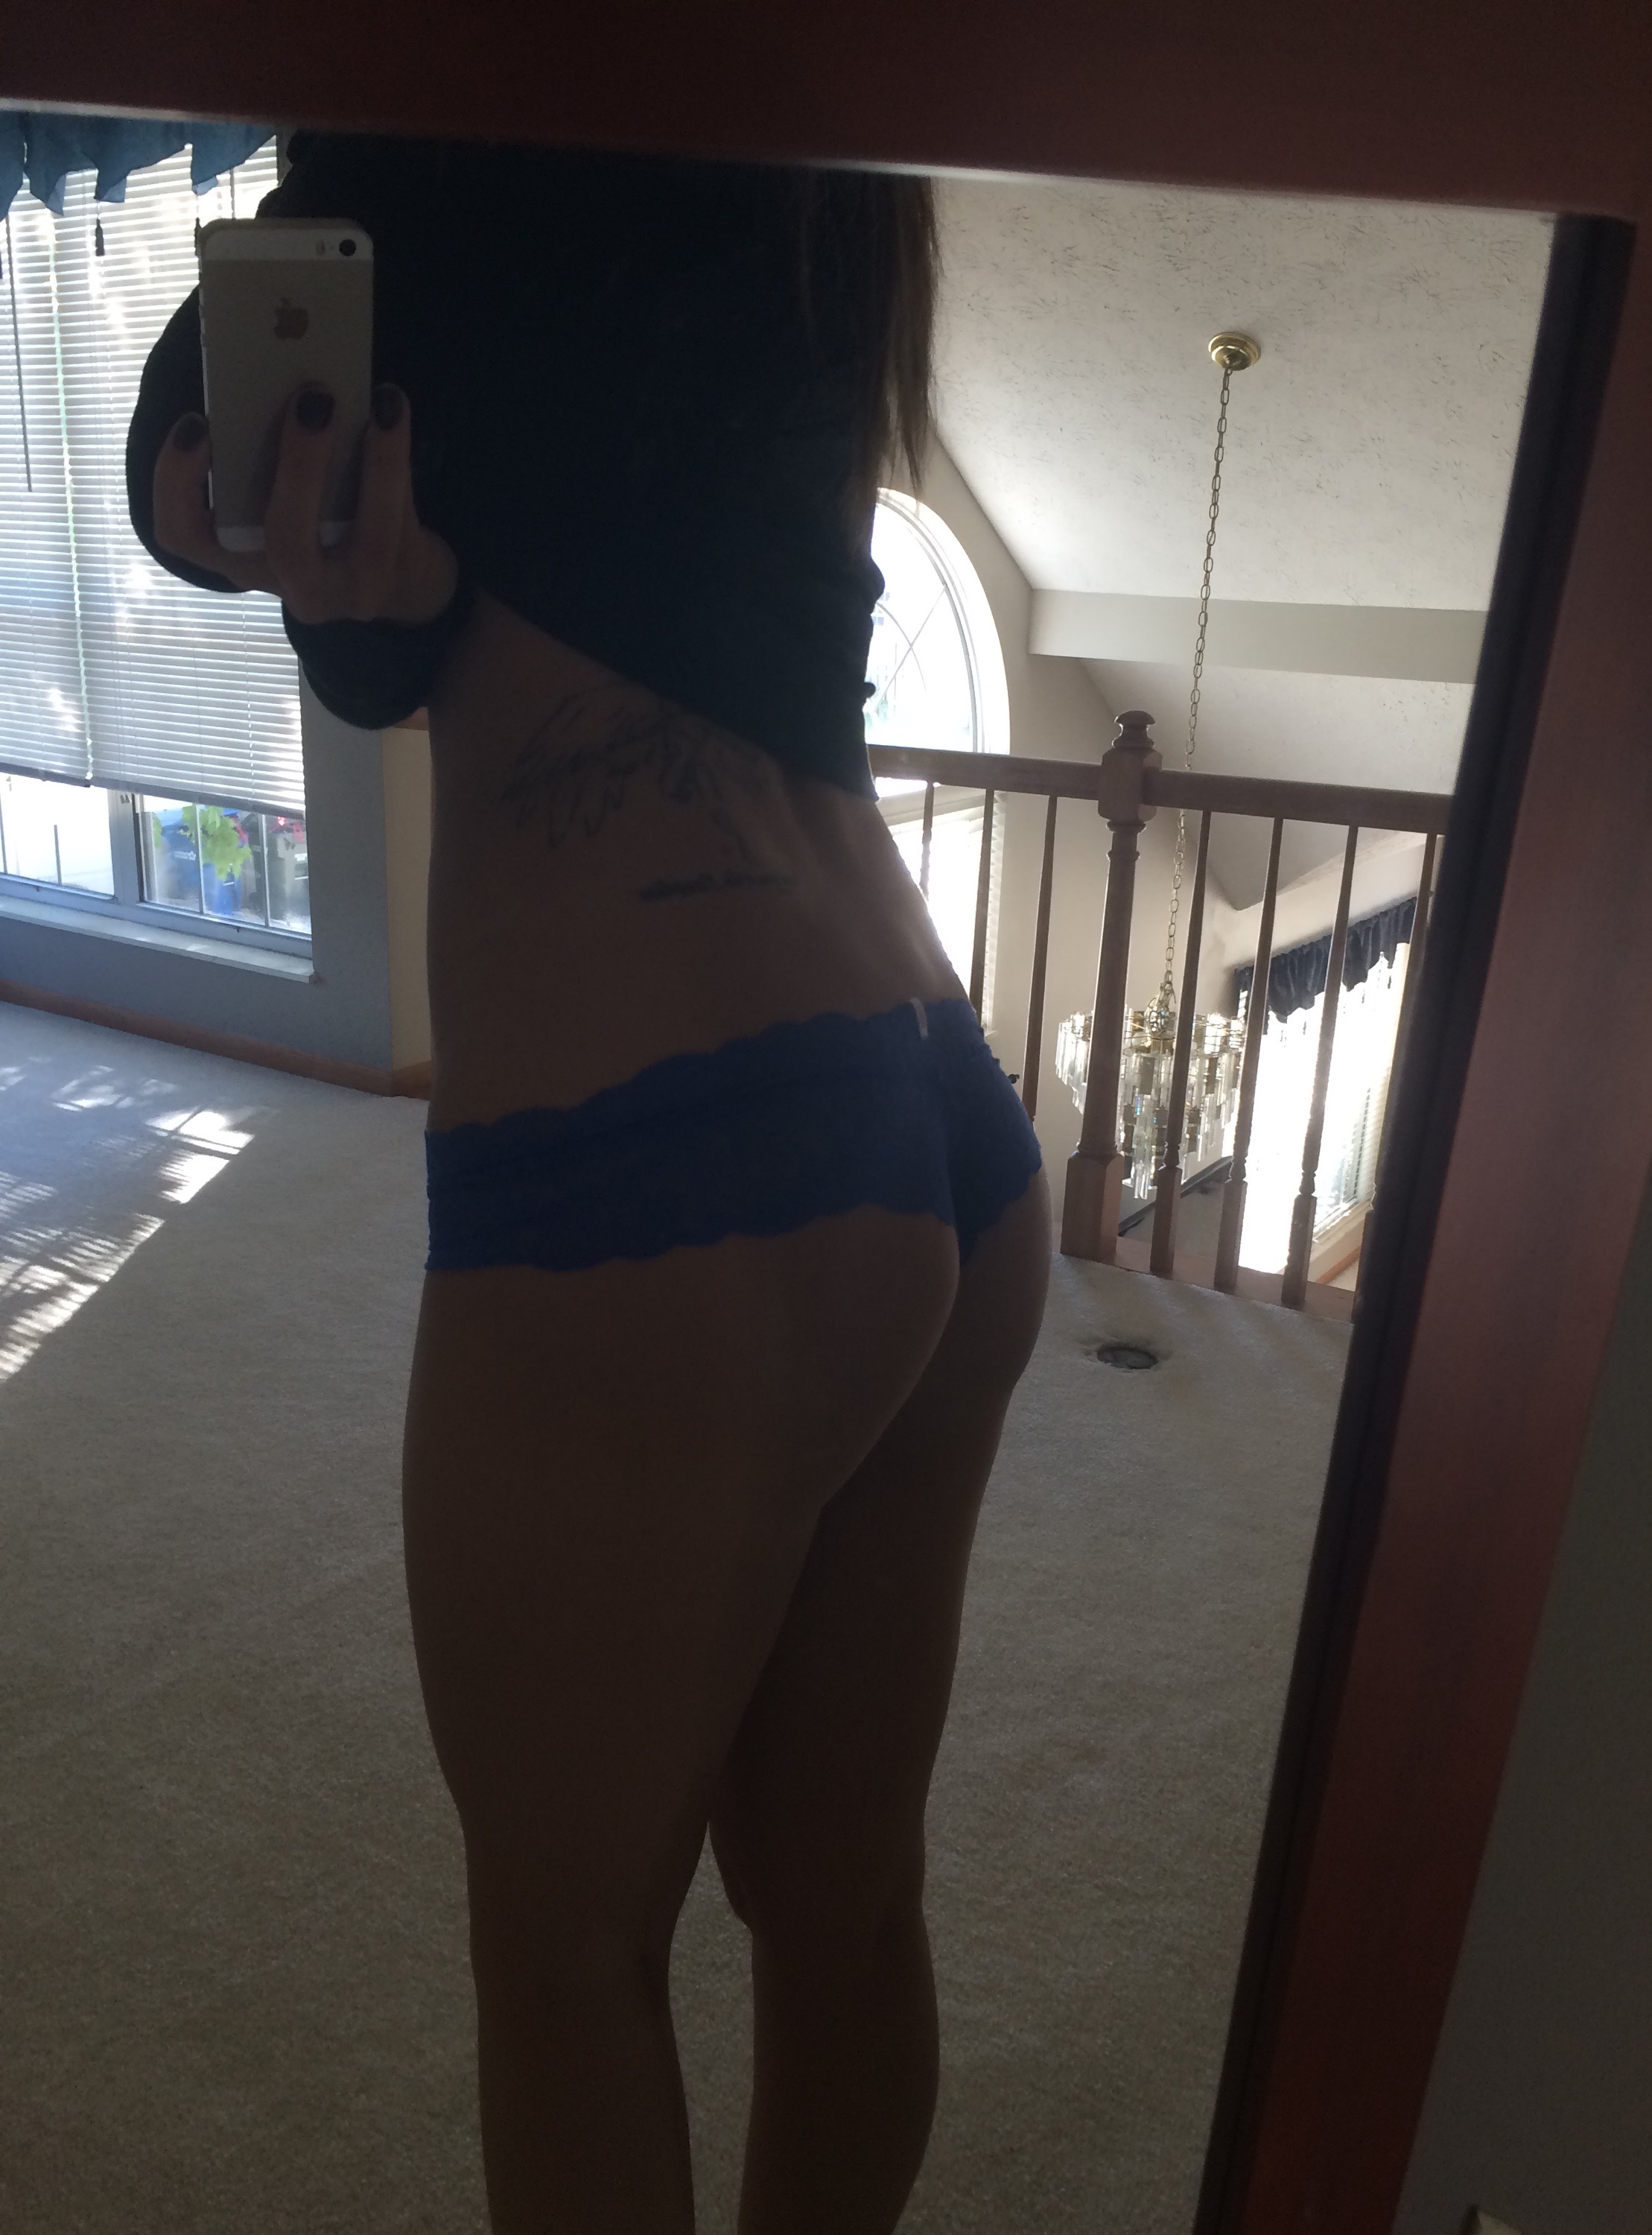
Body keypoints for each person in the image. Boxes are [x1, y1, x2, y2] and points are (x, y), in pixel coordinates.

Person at [131, 131, 1049, 2235]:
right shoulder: (812, 149)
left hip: (674, 1146)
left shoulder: (464, 91)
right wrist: (373, 581)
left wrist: (258, 516)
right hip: (925, 1077)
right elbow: (524, 545)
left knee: (564, 1962)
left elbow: (235, 481)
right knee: (844, 1901)